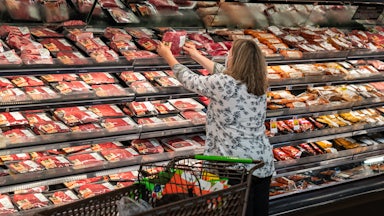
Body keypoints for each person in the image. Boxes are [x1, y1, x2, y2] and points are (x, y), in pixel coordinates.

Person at [157, 39, 275, 216]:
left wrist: (168, 57)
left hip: (234, 165)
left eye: (231, 53)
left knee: (233, 212)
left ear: (235, 59)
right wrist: (197, 55)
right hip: (261, 162)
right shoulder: (259, 83)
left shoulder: (223, 83)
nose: (228, 55)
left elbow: (191, 80)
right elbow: (224, 73)